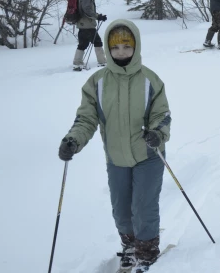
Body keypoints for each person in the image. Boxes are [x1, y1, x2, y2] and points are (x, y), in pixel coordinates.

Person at [58, 19, 172, 273]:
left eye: (127, 46)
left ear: (136, 46)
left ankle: (146, 250)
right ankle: (130, 246)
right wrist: (73, 140)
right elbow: (86, 118)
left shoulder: (150, 79)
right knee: (121, 209)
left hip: (148, 154)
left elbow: (162, 114)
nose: (121, 52)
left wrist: (157, 133)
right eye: (116, 47)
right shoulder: (97, 82)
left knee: (143, 206)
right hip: (116, 157)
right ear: (108, 49)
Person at [73, 0, 108, 71]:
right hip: (87, 23)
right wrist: (98, 17)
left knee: (83, 44)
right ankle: (102, 62)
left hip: (83, 23)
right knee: (97, 41)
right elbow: (87, 10)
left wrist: (98, 16)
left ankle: (77, 63)